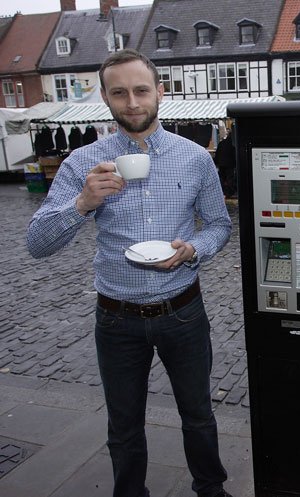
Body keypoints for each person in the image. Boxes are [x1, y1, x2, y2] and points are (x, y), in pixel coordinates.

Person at [27, 49, 234, 497]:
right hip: (116, 318)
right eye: (119, 93)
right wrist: (82, 204)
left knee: (198, 414)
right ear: (105, 98)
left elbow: (220, 224)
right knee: (123, 426)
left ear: (160, 92)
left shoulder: (195, 157)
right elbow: (37, 244)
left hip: (183, 312)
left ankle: (211, 489)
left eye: (141, 90)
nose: (133, 102)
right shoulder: (84, 163)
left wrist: (192, 249)